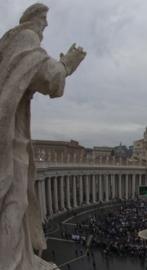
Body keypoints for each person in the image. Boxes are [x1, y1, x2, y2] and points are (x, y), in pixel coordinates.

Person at [0, 3, 85, 270]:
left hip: (9, 133)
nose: (46, 25)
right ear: (33, 20)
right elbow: (49, 78)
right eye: (44, 20)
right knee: (15, 202)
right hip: (11, 140)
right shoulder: (26, 40)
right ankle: (12, 262)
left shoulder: (8, 45)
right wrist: (67, 65)